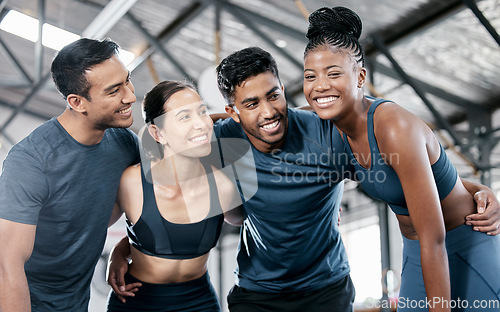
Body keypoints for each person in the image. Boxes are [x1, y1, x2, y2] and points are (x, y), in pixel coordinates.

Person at [109, 47, 500, 312]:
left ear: (284, 89)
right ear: (232, 111)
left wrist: (474, 189)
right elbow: (171, 183)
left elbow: (404, 173)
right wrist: (129, 244)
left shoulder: (327, 135)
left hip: (326, 289)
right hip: (257, 292)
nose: (268, 112)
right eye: (250, 104)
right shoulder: (222, 140)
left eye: (274, 95)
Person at [302, 6, 500, 312]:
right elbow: (268, 119)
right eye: (310, 76)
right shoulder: (331, 126)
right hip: (417, 253)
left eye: (334, 73)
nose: (320, 86)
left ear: (360, 77)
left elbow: (434, 238)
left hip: (461, 246)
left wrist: (480, 192)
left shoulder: (393, 126)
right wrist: (207, 122)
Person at [0, 38, 140, 311]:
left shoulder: (124, 143)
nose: (131, 96)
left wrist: (122, 249)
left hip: (76, 302)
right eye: (114, 91)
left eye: (127, 81)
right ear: (77, 102)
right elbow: (7, 265)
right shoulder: (31, 160)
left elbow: (141, 205)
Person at [106, 80, 243, 312]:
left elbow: (257, 225)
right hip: (135, 301)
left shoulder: (223, 185)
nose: (200, 124)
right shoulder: (131, 182)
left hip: (198, 302)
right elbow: (86, 231)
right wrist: (117, 253)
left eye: (202, 112)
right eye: (184, 117)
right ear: (158, 133)